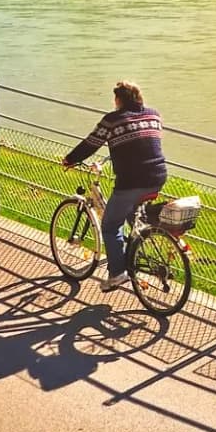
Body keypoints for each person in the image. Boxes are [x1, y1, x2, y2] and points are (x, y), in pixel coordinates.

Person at [62, 81, 167, 291]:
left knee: (110, 226)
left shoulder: (112, 120)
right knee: (131, 215)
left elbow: (90, 143)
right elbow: (142, 144)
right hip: (157, 176)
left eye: (115, 98)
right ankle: (138, 250)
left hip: (131, 181)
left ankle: (117, 274)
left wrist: (70, 159)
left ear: (119, 100)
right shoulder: (153, 115)